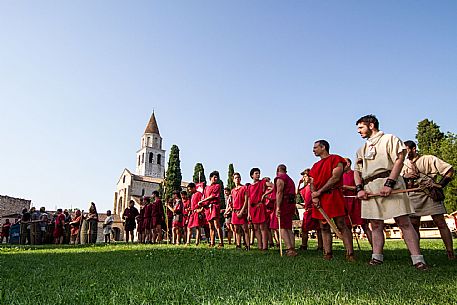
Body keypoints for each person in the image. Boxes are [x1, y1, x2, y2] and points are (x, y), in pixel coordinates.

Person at [354, 115, 427, 270]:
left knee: (404, 222)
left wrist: (390, 184)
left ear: (371, 125)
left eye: (361, 127)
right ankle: (377, 257)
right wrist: (360, 189)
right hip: (370, 186)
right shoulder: (362, 149)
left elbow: (399, 160)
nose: (358, 131)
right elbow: (357, 171)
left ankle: (418, 259)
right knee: (375, 224)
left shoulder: (389, 139)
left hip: (390, 182)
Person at [402, 140, 455, 259]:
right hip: (413, 195)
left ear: (414, 149)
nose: (405, 152)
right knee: (414, 224)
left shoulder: (428, 159)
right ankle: (416, 253)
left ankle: (450, 252)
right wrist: (405, 177)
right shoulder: (403, 164)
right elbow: (398, 181)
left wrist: (440, 185)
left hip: (430, 194)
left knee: (440, 223)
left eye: (407, 149)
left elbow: (449, 170)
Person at [309, 140, 354, 261]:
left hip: (333, 195)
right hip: (320, 198)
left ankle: (350, 253)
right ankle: (327, 253)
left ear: (323, 147)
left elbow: (335, 177)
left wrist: (319, 191)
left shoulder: (336, 159)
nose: (313, 150)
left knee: (341, 224)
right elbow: (312, 182)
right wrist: (315, 195)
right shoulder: (315, 166)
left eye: (315, 147)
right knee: (323, 226)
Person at [342, 158, 372, 246]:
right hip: (345, 202)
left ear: (348, 164)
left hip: (356, 201)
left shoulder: (355, 173)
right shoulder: (340, 176)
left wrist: (346, 187)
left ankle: (375, 249)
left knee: (364, 225)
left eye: (345, 163)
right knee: (347, 227)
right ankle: (349, 250)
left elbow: (359, 187)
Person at [275, 164, 298, 256]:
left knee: (282, 227)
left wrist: (278, 207)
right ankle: (292, 247)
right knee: (288, 227)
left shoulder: (280, 178)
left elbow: (279, 192)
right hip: (290, 203)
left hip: (284, 203)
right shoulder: (290, 179)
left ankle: (289, 249)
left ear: (277, 170)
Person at [247, 168, 273, 250]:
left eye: (259, 173)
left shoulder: (263, 182)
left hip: (260, 207)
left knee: (263, 227)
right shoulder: (249, 187)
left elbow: (273, 186)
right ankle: (259, 245)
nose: (258, 175)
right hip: (252, 208)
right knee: (255, 228)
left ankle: (265, 246)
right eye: (256, 173)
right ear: (252, 175)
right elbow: (248, 200)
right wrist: (248, 213)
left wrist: (265, 194)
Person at [297, 169, 322, 251]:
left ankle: (320, 246)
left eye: (305, 176)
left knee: (319, 228)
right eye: (303, 176)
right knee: (304, 228)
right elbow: (297, 193)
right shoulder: (304, 187)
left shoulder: (315, 185)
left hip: (316, 208)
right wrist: (299, 184)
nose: (304, 178)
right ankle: (304, 245)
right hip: (308, 210)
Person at [198, 171, 224, 248]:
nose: (215, 179)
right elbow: (204, 196)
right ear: (210, 178)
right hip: (207, 208)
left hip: (214, 206)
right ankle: (212, 242)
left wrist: (202, 201)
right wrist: (201, 204)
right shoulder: (206, 188)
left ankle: (221, 242)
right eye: (214, 177)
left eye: (217, 177)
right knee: (210, 226)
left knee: (217, 225)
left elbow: (212, 196)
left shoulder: (217, 186)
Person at [230, 173, 250, 250]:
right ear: (233, 180)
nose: (237, 179)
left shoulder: (244, 188)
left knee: (245, 229)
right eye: (235, 178)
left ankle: (247, 245)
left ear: (240, 178)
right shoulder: (232, 190)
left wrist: (242, 211)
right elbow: (232, 201)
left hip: (242, 211)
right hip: (235, 212)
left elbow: (246, 200)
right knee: (236, 229)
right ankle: (238, 245)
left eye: (238, 177)